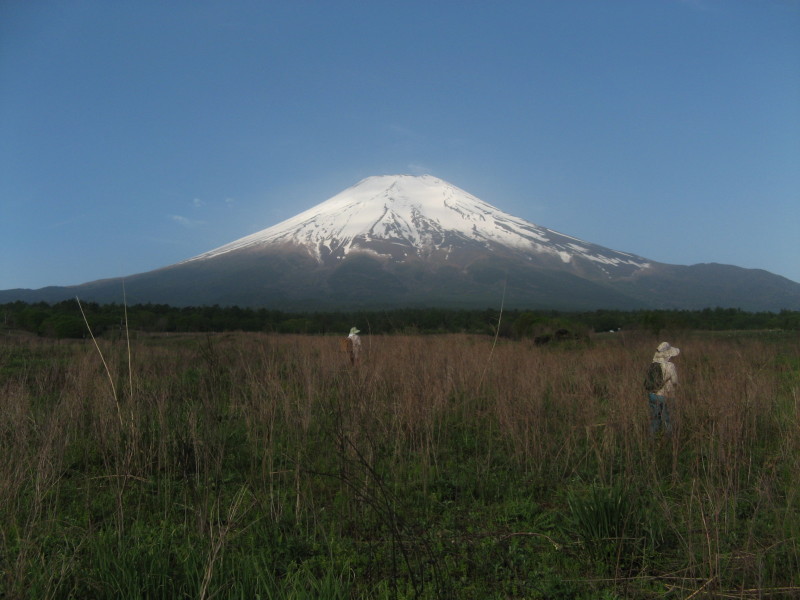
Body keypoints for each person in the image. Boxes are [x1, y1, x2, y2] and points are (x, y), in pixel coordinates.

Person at [648, 341, 680, 435]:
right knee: (668, 419)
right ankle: (668, 439)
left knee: (655, 418)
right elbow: (674, 381)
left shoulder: (653, 364)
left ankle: (652, 438)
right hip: (667, 395)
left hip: (652, 395)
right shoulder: (670, 366)